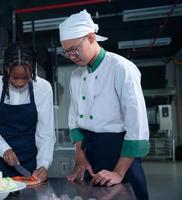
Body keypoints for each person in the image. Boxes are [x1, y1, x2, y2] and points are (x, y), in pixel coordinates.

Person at [59, 10, 150, 200]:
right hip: (90, 152)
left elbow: (137, 125)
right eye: (66, 52)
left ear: (91, 38)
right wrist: (80, 155)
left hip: (120, 153)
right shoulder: (76, 75)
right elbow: (74, 119)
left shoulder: (121, 67)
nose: (71, 56)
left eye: (75, 49)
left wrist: (118, 172)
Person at [0, 43, 55, 181]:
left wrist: (43, 164)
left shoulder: (43, 88)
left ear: (33, 69)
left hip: (32, 164)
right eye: (15, 78)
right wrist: (4, 149)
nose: (20, 83)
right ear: (7, 69)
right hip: (2, 163)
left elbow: (45, 132)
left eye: (25, 78)